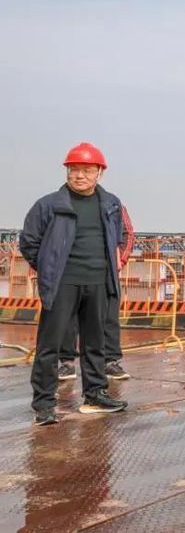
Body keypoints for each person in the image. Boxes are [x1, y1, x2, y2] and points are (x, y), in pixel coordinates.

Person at [19, 143, 129, 425]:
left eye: (87, 170)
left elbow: (119, 236)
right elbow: (29, 242)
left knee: (95, 344)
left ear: (100, 173)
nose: (80, 175)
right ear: (67, 171)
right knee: (50, 345)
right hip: (63, 284)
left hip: (99, 283)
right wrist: (49, 269)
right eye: (74, 170)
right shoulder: (49, 205)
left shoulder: (111, 203)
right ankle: (44, 404)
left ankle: (95, 394)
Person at [58, 203, 134, 381]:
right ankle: (67, 363)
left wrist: (120, 260)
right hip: (72, 270)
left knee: (108, 317)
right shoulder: (63, 204)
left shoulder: (113, 205)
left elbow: (128, 233)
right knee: (68, 317)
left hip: (105, 272)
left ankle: (110, 362)